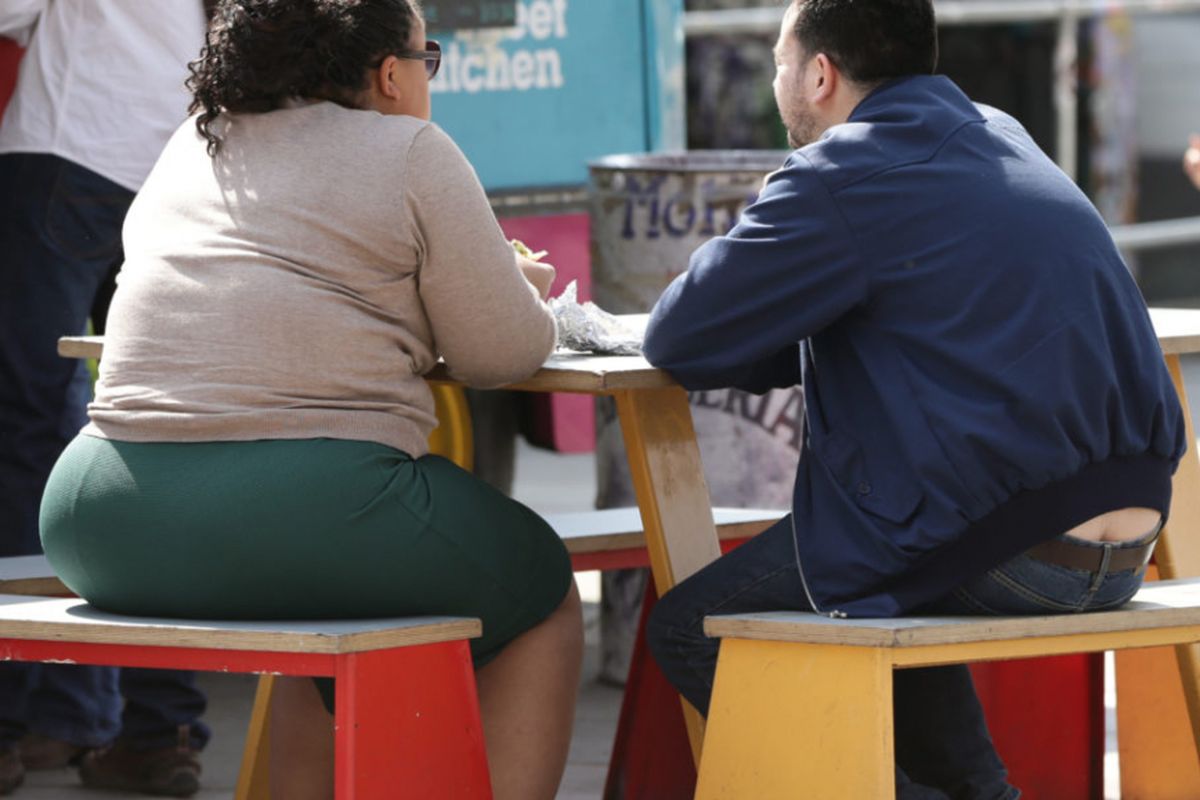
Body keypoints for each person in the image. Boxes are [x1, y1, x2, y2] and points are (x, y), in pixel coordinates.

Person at [37, 1, 584, 798]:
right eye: (426, 57)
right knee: (540, 588)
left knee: (321, 598)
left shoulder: (195, 142)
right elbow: (500, 352)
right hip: (306, 509)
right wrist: (519, 290)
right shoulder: (412, 149)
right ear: (391, 73)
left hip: (96, 519)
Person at [642, 1, 1185, 797]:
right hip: (1132, 543)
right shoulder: (1000, 131)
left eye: (780, 61)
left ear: (820, 74)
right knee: (872, 584)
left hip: (1017, 552)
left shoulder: (841, 172)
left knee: (692, 630)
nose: (776, 79)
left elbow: (677, 336)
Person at [0, 1, 212, 795]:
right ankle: (158, 729)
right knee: (163, 445)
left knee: (23, 442)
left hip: (69, 146)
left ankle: (8, 723)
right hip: (185, 166)